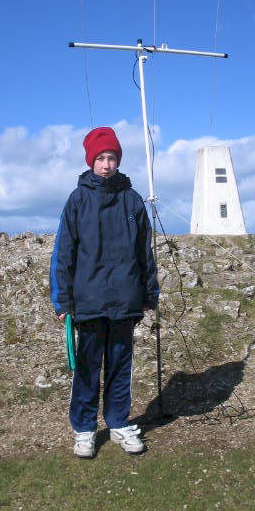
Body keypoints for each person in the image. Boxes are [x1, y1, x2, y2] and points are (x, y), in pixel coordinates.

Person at [50, 127, 159, 458]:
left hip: (125, 300)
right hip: (89, 301)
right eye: (101, 158)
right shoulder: (77, 200)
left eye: (112, 158)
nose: (107, 164)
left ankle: (118, 423)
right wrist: (62, 301)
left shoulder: (133, 199)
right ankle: (84, 430)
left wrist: (148, 293)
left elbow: (145, 253)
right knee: (87, 367)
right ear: (91, 161)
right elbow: (63, 253)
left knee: (119, 366)